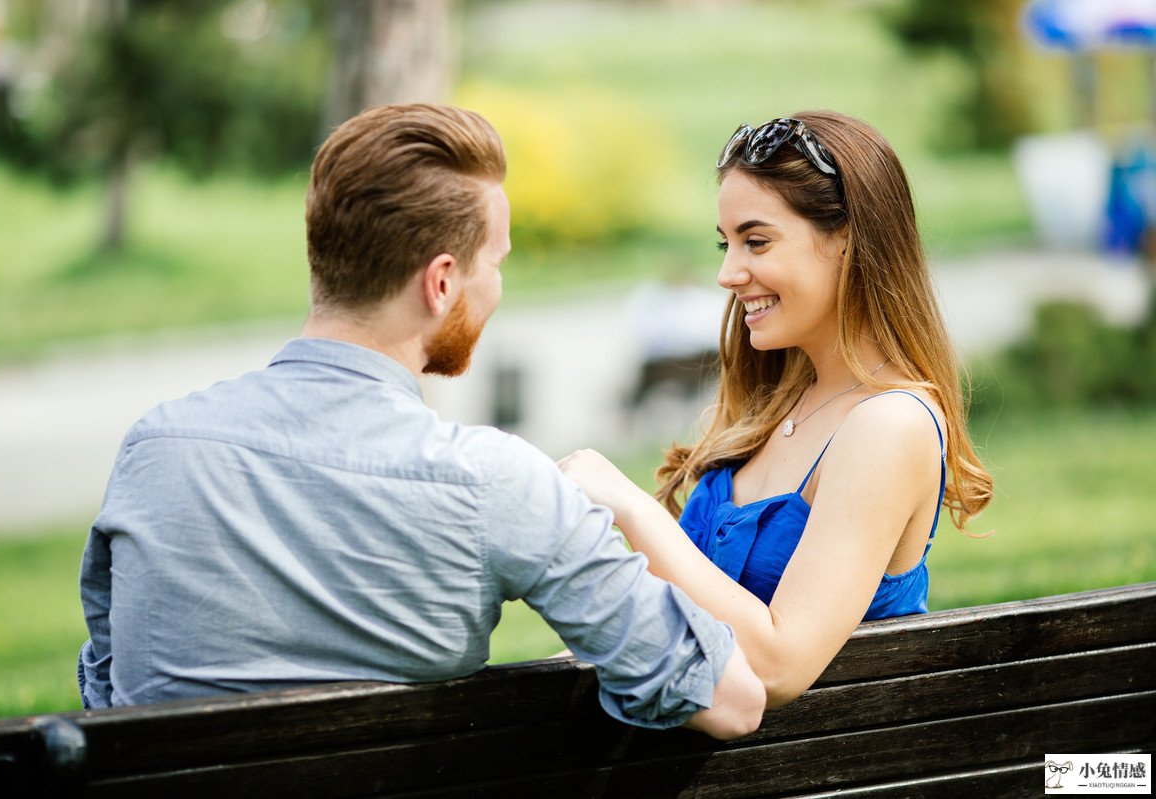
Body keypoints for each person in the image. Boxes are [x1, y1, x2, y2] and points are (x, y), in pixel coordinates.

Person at [77, 103, 765, 739]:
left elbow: (109, 691)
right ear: (441, 282)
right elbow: (733, 700)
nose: (497, 287)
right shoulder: (493, 482)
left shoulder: (157, 448)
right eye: (494, 263)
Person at [559, 111, 993, 708]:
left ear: (848, 240)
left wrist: (633, 509)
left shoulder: (889, 424)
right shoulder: (778, 401)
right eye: (726, 242)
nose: (727, 273)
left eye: (755, 241)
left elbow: (777, 666)